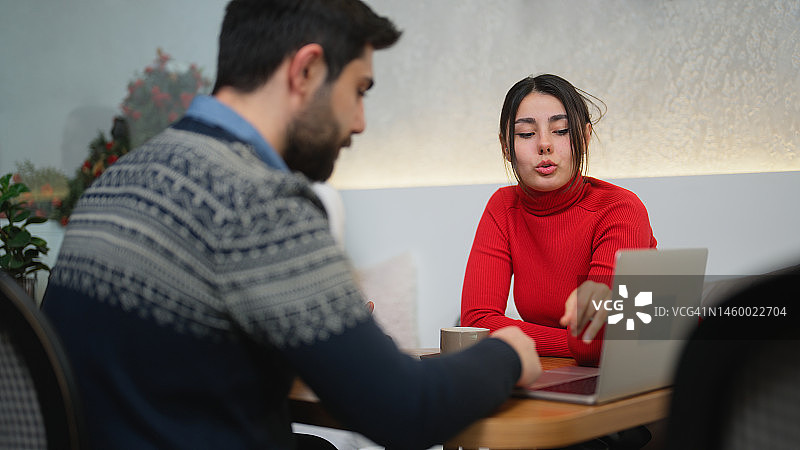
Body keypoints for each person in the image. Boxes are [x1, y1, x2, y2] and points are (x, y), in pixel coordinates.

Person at [41, 1, 542, 449]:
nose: (361, 121)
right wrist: (508, 355)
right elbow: (405, 410)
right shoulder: (259, 199)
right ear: (306, 70)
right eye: (358, 90)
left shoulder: (117, 179)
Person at [461, 74, 657, 367]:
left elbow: (596, 342)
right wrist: (569, 341)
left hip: (651, 370)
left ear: (585, 137)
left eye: (561, 130)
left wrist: (517, 338)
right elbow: (476, 324)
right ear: (506, 146)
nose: (544, 145)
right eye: (526, 134)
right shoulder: (503, 206)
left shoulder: (620, 209)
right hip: (560, 369)